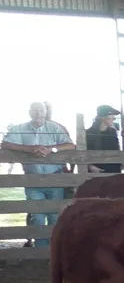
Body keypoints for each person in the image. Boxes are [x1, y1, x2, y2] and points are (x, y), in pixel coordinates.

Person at [0, 101, 76, 247]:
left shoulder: (55, 128)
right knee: (37, 216)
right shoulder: (20, 129)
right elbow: (5, 144)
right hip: (32, 179)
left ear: (45, 112)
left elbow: (70, 145)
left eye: (41, 110)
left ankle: (53, 249)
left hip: (54, 178)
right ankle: (41, 250)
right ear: (29, 112)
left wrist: (51, 149)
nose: (38, 113)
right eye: (35, 110)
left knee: (54, 215)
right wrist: (29, 149)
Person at [85, 104, 123, 173]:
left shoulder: (113, 132)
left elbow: (116, 150)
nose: (114, 118)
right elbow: (83, 153)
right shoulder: (89, 133)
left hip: (113, 170)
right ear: (102, 117)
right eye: (111, 115)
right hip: (95, 170)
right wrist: (90, 166)